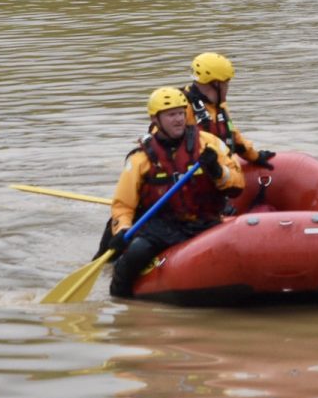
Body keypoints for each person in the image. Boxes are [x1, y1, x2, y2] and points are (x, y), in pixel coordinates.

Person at [107, 87, 244, 298]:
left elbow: (237, 185)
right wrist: (122, 230)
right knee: (137, 251)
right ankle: (118, 298)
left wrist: (217, 171)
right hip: (164, 227)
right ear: (156, 119)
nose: (178, 119)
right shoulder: (140, 159)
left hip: (206, 221)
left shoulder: (209, 144)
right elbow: (123, 205)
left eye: (181, 113)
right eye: (171, 115)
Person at [181, 52, 274, 169]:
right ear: (215, 83)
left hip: (221, 170)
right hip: (196, 174)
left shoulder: (219, 107)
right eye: (226, 84)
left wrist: (256, 157)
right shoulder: (182, 107)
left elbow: (234, 138)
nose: (227, 88)